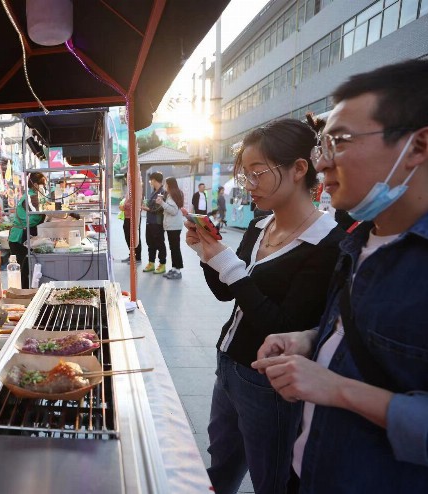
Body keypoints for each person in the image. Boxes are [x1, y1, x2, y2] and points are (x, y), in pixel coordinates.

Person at [253, 60, 428, 493]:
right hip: (307, 470)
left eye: (341, 142)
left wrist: (338, 389)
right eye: (323, 145)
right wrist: (313, 339)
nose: (323, 163)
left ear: (418, 146)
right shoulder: (358, 240)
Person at [185, 119, 345, 494]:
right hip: (228, 366)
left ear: (299, 169)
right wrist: (209, 255)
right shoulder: (260, 226)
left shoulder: (327, 243)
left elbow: (283, 325)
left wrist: (228, 264)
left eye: (257, 174)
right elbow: (228, 293)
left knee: (270, 478)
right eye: (245, 177)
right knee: (221, 461)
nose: (249, 186)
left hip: (268, 382)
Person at [8, 172, 47, 289]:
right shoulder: (30, 197)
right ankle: (21, 297)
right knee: (22, 271)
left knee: (26, 270)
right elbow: (35, 215)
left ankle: (24, 295)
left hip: (23, 235)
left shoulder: (34, 196)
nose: (44, 187)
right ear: (35, 184)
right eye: (43, 184)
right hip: (19, 237)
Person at [155, 176, 184, 279]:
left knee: (175, 248)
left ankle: (177, 271)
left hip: (174, 226)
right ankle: (174, 268)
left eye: (166, 183)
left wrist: (162, 203)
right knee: (174, 248)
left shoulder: (172, 195)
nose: (165, 185)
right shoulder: (174, 194)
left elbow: (173, 211)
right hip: (173, 225)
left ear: (169, 184)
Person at [141, 171, 167, 274]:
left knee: (159, 243)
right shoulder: (154, 192)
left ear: (155, 180)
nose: (150, 182)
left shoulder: (162, 192)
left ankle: (162, 264)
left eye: (151, 180)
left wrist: (145, 208)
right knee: (150, 243)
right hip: (150, 221)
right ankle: (151, 263)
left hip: (158, 222)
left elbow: (158, 209)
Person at [119, 167, 143, 264]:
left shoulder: (135, 188)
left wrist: (124, 206)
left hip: (134, 216)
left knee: (134, 236)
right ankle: (132, 254)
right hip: (128, 216)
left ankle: (137, 257)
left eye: (127, 178)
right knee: (128, 236)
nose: (126, 180)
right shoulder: (130, 189)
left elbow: (133, 203)